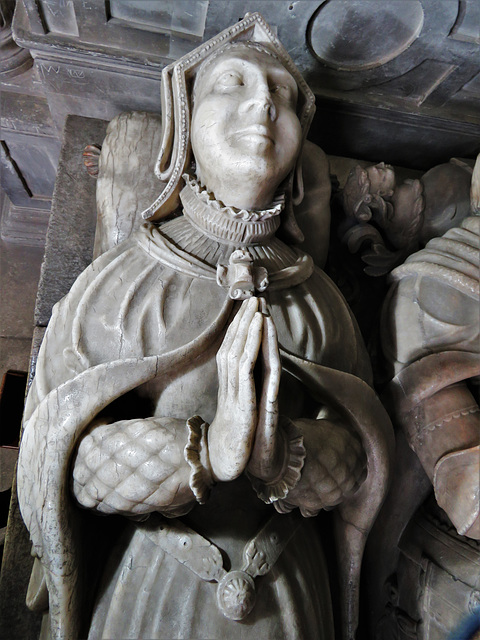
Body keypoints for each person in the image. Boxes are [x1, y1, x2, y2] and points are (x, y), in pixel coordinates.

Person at [17, 13, 393, 640]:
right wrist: (209, 451)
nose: (263, 103)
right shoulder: (123, 281)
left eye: (281, 94)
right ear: (185, 124)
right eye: (235, 84)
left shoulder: (321, 299)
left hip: (290, 588)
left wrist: (283, 459)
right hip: (159, 582)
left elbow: (362, 463)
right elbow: (68, 463)